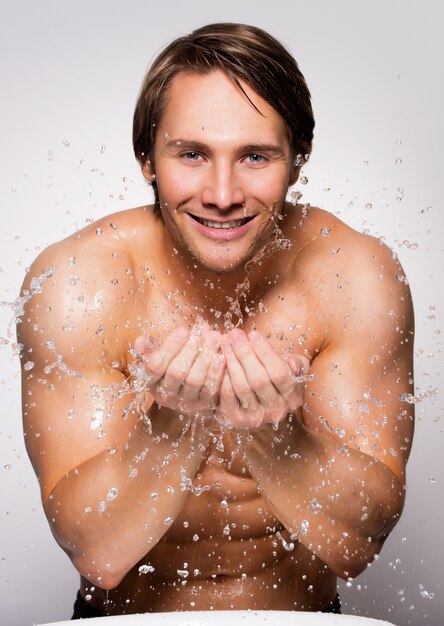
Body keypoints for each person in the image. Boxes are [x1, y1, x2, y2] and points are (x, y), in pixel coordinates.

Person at [19, 23, 414, 618]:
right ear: (147, 159)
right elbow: (96, 550)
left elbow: (356, 545)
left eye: (255, 156)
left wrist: (274, 434)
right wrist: (175, 423)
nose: (222, 193)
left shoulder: (353, 276)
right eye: (192, 155)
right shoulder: (80, 283)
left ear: (297, 162)